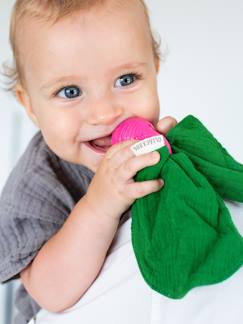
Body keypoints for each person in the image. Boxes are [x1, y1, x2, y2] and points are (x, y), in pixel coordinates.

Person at [0, 0, 177, 323]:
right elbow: (50, 292)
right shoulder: (36, 185)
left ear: (155, 68)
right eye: (70, 92)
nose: (105, 113)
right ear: (30, 105)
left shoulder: (156, 142)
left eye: (126, 80)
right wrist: (100, 204)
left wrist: (183, 167)